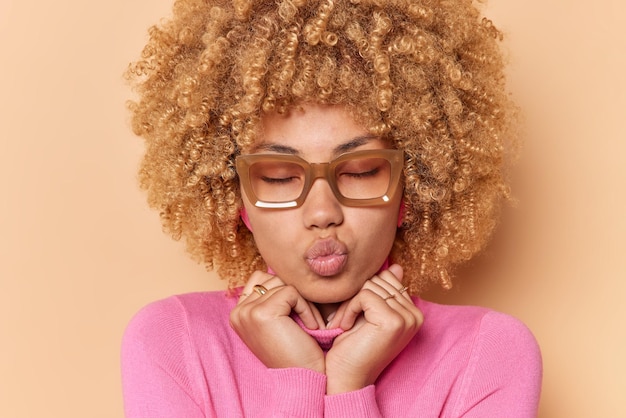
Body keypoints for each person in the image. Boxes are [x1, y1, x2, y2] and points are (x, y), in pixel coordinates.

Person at [121, 0, 542, 416]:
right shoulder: (172, 340)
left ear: (409, 193)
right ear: (240, 204)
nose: (322, 212)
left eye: (360, 172)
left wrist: (348, 387)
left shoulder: (488, 353)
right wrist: (300, 377)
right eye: (280, 177)